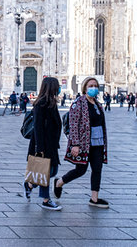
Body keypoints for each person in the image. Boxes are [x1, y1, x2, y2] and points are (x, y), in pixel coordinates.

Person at [52, 76, 109, 208]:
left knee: (97, 169)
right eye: (91, 86)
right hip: (84, 143)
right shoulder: (79, 103)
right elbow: (73, 124)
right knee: (81, 170)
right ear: (85, 88)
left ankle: (94, 199)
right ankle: (59, 182)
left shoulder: (98, 104)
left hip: (98, 143)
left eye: (95, 86)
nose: (94, 88)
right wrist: (75, 144)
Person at [25, 77, 63, 210]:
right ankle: (46, 200)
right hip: (43, 145)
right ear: (51, 87)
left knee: (51, 171)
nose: (59, 89)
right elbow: (38, 127)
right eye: (57, 86)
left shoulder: (51, 102)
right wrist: (39, 148)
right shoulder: (41, 104)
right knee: (46, 172)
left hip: (51, 144)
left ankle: (30, 185)